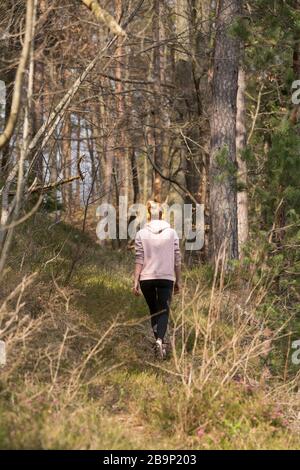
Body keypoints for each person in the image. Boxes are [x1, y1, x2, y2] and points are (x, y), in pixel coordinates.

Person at [133, 200, 182, 359]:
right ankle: (160, 341)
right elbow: (177, 258)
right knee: (164, 310)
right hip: (165, 278)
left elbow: (139, 258)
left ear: (148, 214)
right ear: (162, 214)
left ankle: (159, 344)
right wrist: (179, 280)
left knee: (154, 310)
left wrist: (135, 281)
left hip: (146, 279)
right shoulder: (172, 233)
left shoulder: (141, 234)